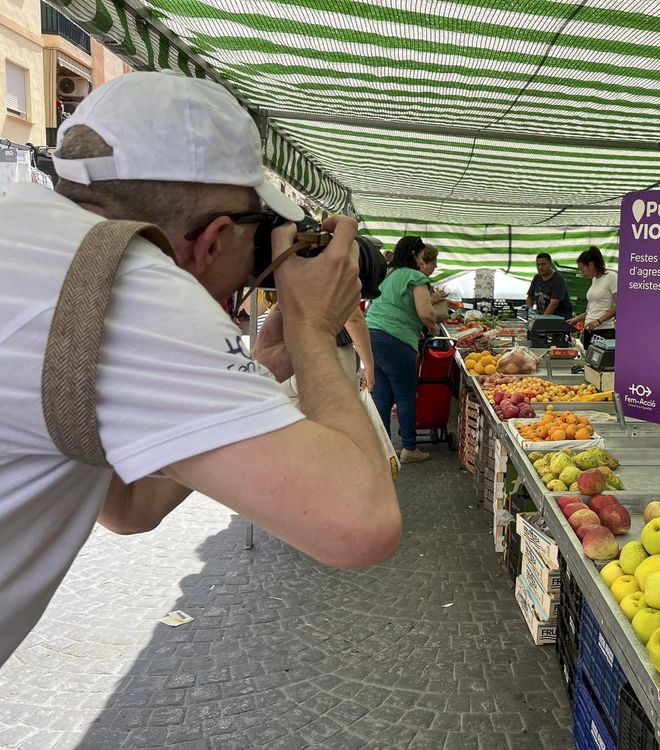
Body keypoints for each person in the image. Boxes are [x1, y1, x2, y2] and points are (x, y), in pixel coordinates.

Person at [0, 71, 401, 667]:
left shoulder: (30, 235)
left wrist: (260, 367)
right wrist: (315, 330)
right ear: (213, 238)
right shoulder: (127, 283)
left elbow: (127, 505)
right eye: (258, 230)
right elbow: (359, 522)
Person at [365, 236, 440, 464]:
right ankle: (409, 448)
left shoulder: (389, 275)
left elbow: (394, 306)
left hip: (371, 334)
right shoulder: (415, 277)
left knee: (382, 395)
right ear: (415, 254)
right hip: (396, 339)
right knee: (406, 396)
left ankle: (382, 448)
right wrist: (433, 328)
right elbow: (426, 313)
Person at [569, 246, 618, 350]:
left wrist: (598, 321)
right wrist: (577, 319)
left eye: (583, 270)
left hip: (603, 331)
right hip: (589, 329)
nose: (583, 274)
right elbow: (593, 309)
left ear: (591, 265)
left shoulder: (611, 277)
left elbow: (619, 305)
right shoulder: (594, 280)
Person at [525, 252, 573, 319]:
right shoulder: (537, 278)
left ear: (550, 264)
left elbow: (554, 304)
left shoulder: (558, 280)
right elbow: (530, 297)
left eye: (543, 264)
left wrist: (542, 320)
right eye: (538, 265)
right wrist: (530, 308)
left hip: (559, 320)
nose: (540, 267)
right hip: (544, 317)